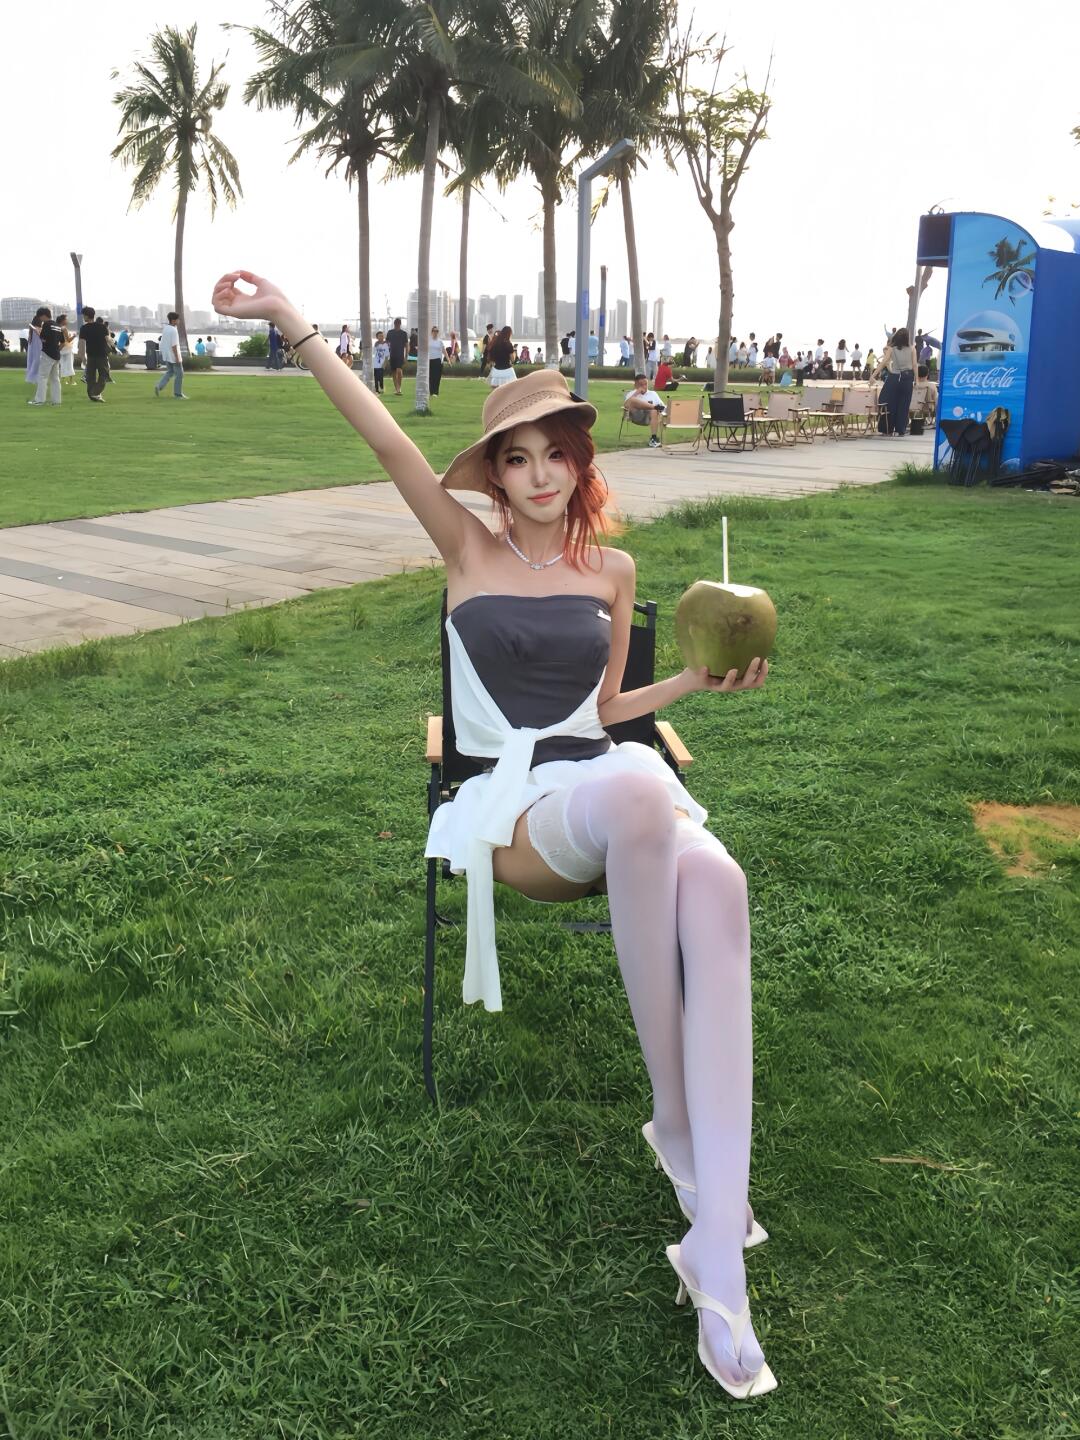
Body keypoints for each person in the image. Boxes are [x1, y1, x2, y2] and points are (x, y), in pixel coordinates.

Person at [212, 268, 774, 1401]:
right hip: (514, 810)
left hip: (604, 775)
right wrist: (290, 322)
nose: (537, 475)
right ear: (495, 475)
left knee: (720, 885)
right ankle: (672, 1120)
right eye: (516, 460)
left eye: (554, 454)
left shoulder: (611, 569)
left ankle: (718, 1250)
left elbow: (607, 711)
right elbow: (384, 440)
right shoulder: (464, 550)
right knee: (640, 801)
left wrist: (691, 685)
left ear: (579, 461)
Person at [872, 327, 916, 435]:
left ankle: (887, 428)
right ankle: (900, 429)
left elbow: (883, 363)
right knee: (904, 404)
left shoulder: (891, 349)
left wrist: (873, 375)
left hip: (894, 377)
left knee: (889, 403)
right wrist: (917, 380)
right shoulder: (912, 349)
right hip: (907, 378)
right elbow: (914, 365)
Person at [77, 307, 111, 403]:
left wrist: (83, 357)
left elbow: (82, 344)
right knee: (104, 375)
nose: (83, 317)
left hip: (91, 355)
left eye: (84, 315)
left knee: (90, 377)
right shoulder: (102, 327)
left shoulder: (83, 328)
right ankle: (95, 393)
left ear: (87, 316)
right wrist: (113, 345)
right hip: (102, 355)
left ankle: (93, 394)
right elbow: (108, 340)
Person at [624, 372, 667, 447]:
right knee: (632, 400)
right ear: (635, 385)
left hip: (650, 418)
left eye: (646, 384)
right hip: (636, 416)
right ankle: (653, 407)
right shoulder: (631, 394)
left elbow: (663, 407)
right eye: (641, 385)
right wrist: (637, 392)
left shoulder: (653, 393)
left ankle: (653, 439)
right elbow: (626, 405)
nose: (644, 386)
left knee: (654, 410)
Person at [29, 309, 63, 406]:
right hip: (56, 355)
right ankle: (56, 401)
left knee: (42, 377)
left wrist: (37, 332)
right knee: (55, 379)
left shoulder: (46, 325)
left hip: (47, 354)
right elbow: (63, 342)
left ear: (43, 315)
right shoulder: (57, 326)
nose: (40, 319)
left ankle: (39, 400)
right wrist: (56, 349)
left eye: (40, 317)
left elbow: (43, 339)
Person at [154, 310, 187, 399]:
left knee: (170, 372)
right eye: (177, 319)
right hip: (173, 356)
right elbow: (174, 345)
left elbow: (163, 343)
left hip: (167, 355)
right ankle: (178, 394)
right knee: (179, 374)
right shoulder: (173, 330)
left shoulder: (166, 328)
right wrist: (177, 357)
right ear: (173, 320)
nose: (179, 321)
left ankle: (159, 386)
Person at [25, 307, 46, 389]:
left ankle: (32, 377)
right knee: (37, 362)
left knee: (33, 361)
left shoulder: (32, 329)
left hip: (33, 348)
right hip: (38, 348)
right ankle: (35, 378)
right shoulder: (38, 329)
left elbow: (30, 339)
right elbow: (41, 337)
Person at [386, 318, 408, 396]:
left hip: (400, 354)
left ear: (400, 324)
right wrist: (386, 354)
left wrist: (406, 356)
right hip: (392, 354)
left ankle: (399, 388)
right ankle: (397, 389)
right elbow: (387, 343)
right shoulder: (390, 332)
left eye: (398, 324)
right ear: (394, 324)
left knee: (399, 370)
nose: (397, 325)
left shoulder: (404, 333)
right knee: (394, 372)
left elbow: (406, 345)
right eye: (396, 323)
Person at [58, 314, 78, 386]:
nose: (67, 320)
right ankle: (71, 381)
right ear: (63, 320)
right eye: (66, 319)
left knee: (62, 364)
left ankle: (62, 380)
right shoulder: (64, 329)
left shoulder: (58, 328)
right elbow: (68, 340)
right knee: (69, 364)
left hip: (61, 348)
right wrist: (74, 336)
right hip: (67, 348)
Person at [428, 326, 446, 395]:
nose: (435, 332)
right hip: (430, 360)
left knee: (437, 377)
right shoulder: (429, 340)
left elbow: (444, 351)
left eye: (437, 331)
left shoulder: (440, 341)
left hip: (438, 360)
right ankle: (431, 391)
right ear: (432, 332)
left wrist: (448, 360)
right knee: (431, 377)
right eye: (434, 331)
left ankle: (435, 392)